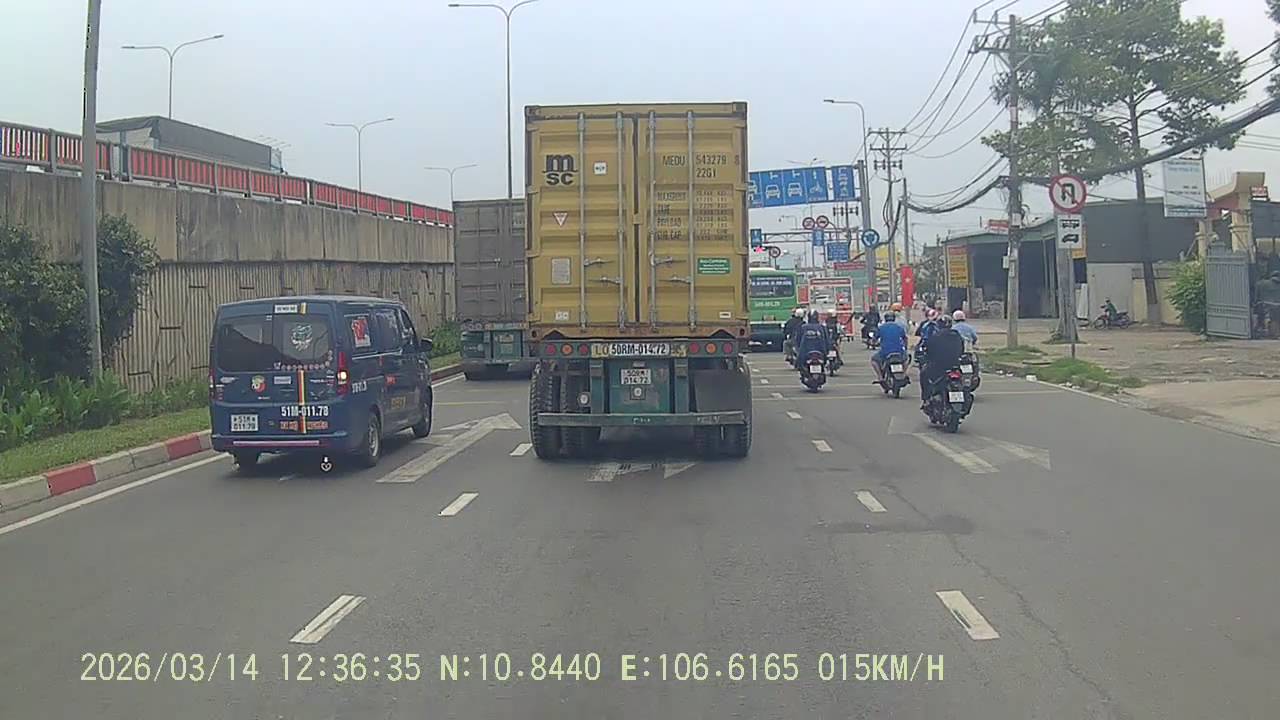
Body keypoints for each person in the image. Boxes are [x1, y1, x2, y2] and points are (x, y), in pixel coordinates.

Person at [920, 315, 965, 408]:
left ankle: (925, 398)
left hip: (938, 367)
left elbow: (928, 351)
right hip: (955, 366)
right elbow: (961, 350)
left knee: (923, 373)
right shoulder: (957, 335)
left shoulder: (935, 336)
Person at [871, 311, 909, 382]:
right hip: (899, 351)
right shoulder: (899, 327)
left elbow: (874, 338)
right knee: (906, 359)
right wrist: (905, 347)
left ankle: (880, 377)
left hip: (885, 352)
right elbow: (905, 338)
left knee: (874, 360)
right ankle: (904, 374)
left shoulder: (881, 328)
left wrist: (873, 343)